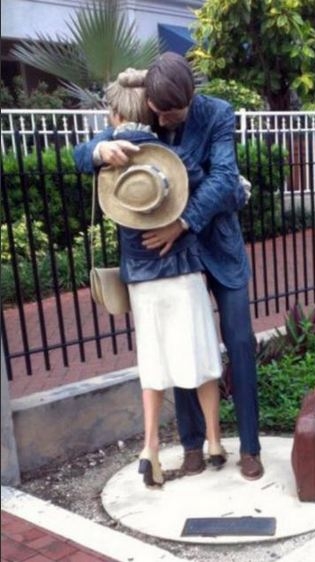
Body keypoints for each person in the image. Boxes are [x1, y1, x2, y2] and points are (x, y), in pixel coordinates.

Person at [74, 53, 264, 481]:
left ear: (191, 97)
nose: (164, 120)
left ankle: (249, 447)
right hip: (173, 261)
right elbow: (83, 153)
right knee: (180, 345)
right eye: (159, 112)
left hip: (215, 248)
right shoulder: (151, 113)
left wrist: (182, 222)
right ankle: (193, 446)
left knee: (239, 345)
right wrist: (100, 150)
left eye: (172, 113)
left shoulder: (217, 113)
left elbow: (223, 180)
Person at [92, 69, 227, 487]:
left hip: (141, 277)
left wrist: (100, 151)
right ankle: (215, 441)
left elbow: (82, 156)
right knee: (201, 357)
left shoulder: (110, 153)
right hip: (182, 268)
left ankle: (149, 447)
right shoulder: (172, 156)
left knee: (152, 362)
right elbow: (212, 184)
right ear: (148, 107)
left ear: (118, 114)